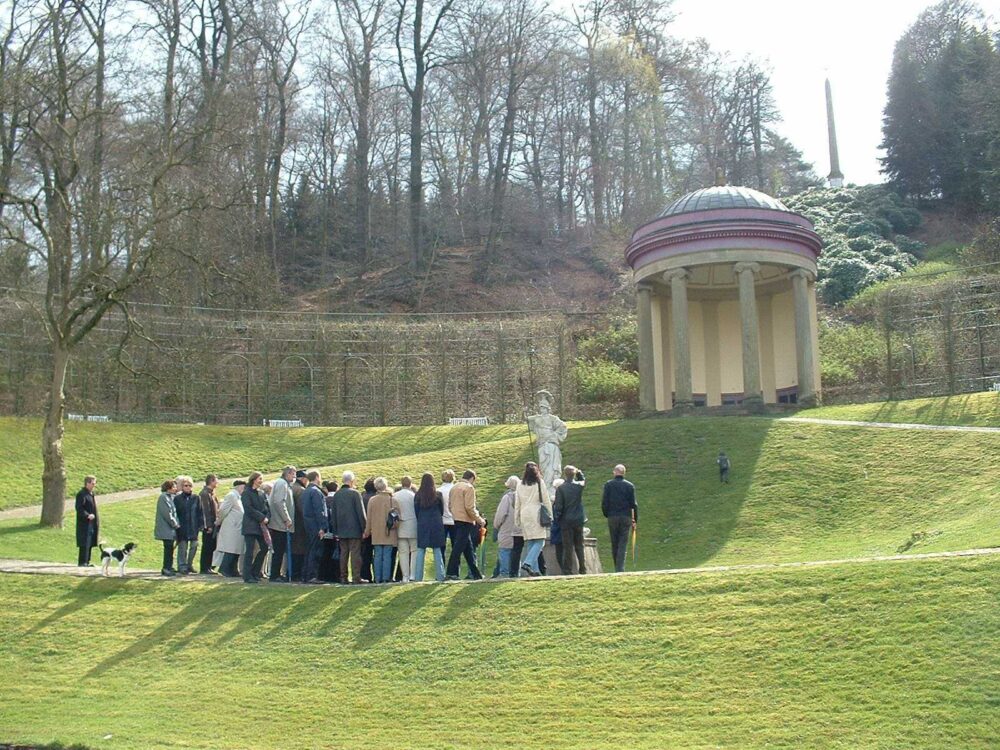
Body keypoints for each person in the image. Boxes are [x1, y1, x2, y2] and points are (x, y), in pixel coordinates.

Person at [514, 462, 552, 577]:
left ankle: (534, 571)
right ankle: (528, 563)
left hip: (524, 513)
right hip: (537, 513)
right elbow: (546, 500)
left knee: (531, 541)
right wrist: (550, 515)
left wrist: (516, 518)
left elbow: (517, 503)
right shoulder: (540, 483)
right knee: (540, 541)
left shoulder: (520, 484)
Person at [445, 470, 485, 581]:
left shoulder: (454, 487)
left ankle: (475, 573)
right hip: (466, 520)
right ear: (472, 478)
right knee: (458, 548)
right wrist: (479, 519)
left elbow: (449, 506)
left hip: (456, 519)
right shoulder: (469, 488)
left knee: (468, 549)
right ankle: (450, 572)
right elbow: (469, 507)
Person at [331, 471, 367, 584]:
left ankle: (343, 577)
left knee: (343, 553)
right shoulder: (355, 494)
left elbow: (334, 514)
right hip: (354, 529)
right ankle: (356, 577)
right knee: (355, 553)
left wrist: (335, 530)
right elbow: (361, 513)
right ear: (351, 481)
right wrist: (364, 528)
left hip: (341, 529)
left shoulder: (337, 495)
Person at [602, 464, 637, 573]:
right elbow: (633, 504)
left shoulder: (608, 485)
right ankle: (620, 568)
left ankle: (617, 567)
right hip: (625, 517)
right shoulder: (629, 486)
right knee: (623, 542)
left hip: (612, 517)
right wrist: (635, 519)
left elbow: (604, 503)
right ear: (624, 473)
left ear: (614, 472)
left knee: (614, 542)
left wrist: (607, 514)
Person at [553, 466, 587, 575]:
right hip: (578, 519)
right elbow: (583, 480)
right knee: (579, 545)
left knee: (568, 546)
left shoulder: (561, 489)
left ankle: (568, 569)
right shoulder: (579, 486)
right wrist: (579, 472)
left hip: (566, 520)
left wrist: (557, 518)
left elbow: (559, 507)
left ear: (564, 474)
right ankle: (582, 568)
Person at [363, 477, 398, 583]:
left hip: (376, 532)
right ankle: (386, 578)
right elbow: (397, 518)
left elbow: (369, 518)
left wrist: (367, 531)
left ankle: (377, 578)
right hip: (389, 531)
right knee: (387, 555)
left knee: (377, 555)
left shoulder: (372, 500)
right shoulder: (393, 500)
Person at [413, 473, 446, 582]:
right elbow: (442, 510)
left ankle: (418, 577)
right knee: (437, 549)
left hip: (423, 523)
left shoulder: (418, 496)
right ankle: (440, 575)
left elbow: (416, 511)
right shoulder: (438, 495)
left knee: (421, 550)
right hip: (436, 524)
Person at [268, 465, 297, 582]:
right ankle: (274, 575)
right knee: (279, 550)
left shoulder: (284, 484)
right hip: (280, 524)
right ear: (288, 474)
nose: (295, 477)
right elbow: (279, 502)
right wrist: (286, 518)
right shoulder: (282, 484)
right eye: (293, 474)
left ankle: (276, 573)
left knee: (280, 550)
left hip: (281, 524)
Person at [241, 472, 270, 583]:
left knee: (264, 547)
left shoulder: (261, 493)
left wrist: (267, 516)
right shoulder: (246, 493)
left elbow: (267, 508)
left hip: (260, 526)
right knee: (250, 550)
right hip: (250, 525)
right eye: (259, 479)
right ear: (253, 480)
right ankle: (247, 576)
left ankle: (255, 571)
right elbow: (248, 508)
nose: (261, 481)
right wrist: (262, 517)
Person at [301, 470, 329, 584]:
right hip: (316, 525)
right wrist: (322, 526)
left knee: (309, 550)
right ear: (317, 477)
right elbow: (320, 510)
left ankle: (306, 575)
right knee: (315, 551)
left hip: (307, 524)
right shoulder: (316, 492)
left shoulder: (306, 491)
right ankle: (312, 575)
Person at [173, 476, 203, 575]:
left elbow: (200, 512)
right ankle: (182, 566)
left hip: (193, 526)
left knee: (194, 546)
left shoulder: (196, 498)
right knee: (183, 547)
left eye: (190, 485)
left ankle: (189, 564)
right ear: (182, 487)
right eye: (186, 485)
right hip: (182, 527)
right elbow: (175, 513)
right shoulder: (177, 499)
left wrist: (201, 525)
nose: (188, 487)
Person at [216, 480, 246, 577]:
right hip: (231, 527)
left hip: (237, 528)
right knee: (230, 549)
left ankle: (233, 569)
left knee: (237, 549)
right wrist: (219, 521)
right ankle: (224, 569)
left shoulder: (238, 497)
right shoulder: (231, 496)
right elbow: (223, 510)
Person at [393, 476, 418, 582]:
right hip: (413, 525)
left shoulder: (395, 496)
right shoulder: (414, 496)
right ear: (410, 484)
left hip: (400, 526)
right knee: (414, 551)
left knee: (403, 552)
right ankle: (413, 575)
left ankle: (405, 576)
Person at [493, 476, 519, 577]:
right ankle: (515, 573)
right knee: (516, 551)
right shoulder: (522, 496)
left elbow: (500, 515)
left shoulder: (507, 497)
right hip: (519, 528)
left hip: (507, 528)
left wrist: (496, 525)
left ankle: (504, 573)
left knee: (504, 550)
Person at [154, 479, 181, 576]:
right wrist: (175, 524)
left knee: (170, 548)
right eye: (174, 487)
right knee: (168, 547)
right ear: (168, 488)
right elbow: (167, 514)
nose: (175, 488)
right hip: (166, 528)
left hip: (170, 529)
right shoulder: (163, 498)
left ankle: (169, 566)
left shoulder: (170, 497)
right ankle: (166, 568)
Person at [75, 475, 99, 567]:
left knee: (89, 542)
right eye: (93, 483)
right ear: (87, 483)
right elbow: (79, 508)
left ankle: (87, 561)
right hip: (84, 523)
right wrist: (87, 515)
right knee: (84, 542)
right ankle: (82, 562)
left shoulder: (91, 494)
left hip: (91, 523)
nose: (94, 485)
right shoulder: (82, 494)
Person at [198, 474, 220, 574]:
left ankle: (209, 566)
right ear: (211, 481)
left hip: (214, 524)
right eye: (216, 480)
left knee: (212, 546)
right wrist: (208, 525)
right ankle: (204, 567)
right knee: (207, 546)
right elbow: (205, 511)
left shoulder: (212, 493)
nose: (217, 482)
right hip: (209, 525)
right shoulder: (204, 494)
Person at [290, 469, 310, 576]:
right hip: (300, 525)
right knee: (299, 550)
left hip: (293, 524)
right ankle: (297, 573)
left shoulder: (292, 488)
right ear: (303, 479)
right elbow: (303, 509)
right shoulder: (301, 490)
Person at [320, 480, 340, 582]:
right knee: (335, 554)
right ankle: (335, 576)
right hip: (335, 532)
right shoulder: (337, 500)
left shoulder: (324, 499)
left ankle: (324, 575)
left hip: (325, 531)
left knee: (325, 553)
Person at [360, 477, 377, 581]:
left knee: (365, 554)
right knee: (378, 554)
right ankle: (378, 575)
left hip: (364, 530)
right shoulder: (375, 497)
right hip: (376, 529)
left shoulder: (362, 497)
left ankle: (365, 575)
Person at [439, 469, 456, 560]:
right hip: (455, 520)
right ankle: (454, 571)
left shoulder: (438, 491)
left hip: (442, 521)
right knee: (455, 547)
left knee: (442, 547)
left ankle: (441, 569)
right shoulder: (456, 489)